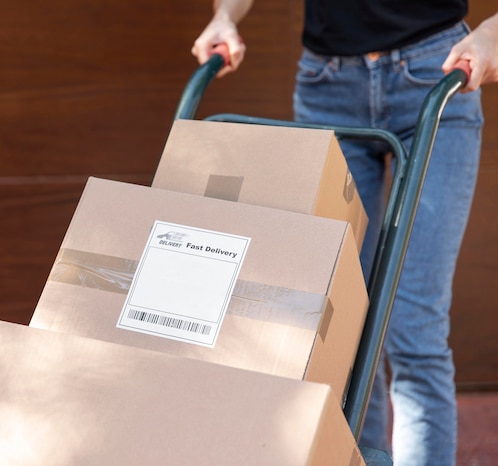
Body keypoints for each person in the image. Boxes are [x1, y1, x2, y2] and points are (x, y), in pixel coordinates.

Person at [191, 2, 498, 466]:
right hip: (326, 84)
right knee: (344, 322)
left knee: (413, 326)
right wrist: (226, 16)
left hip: (438, 71)